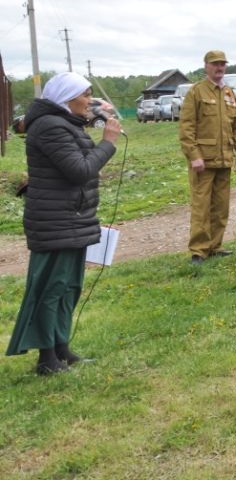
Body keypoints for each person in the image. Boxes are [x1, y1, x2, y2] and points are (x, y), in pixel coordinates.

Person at [6, 73, 122, 375]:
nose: (89, 100)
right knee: (51, 288)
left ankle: (61, 347)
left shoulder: (65, 122)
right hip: (55, 221)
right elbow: (80, 170)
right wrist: (107, 143)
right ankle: (46, 359)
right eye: (84, 94)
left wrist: (94, 110)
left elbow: (79, 151)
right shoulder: (48, 126)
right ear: (66, 98)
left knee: (69, 286)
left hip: (72, 218)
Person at [179, 50, 236, 264]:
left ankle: (215, 246)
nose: (219, 68)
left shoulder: (229, 93)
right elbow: (186, 127)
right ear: (206, 66)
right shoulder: (196, 92)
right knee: (202, 207)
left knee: (221, 206)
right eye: (215, 64)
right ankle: (199, 250)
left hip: (224, 159)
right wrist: (194, 155)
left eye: (222, 64)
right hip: (203, 162)